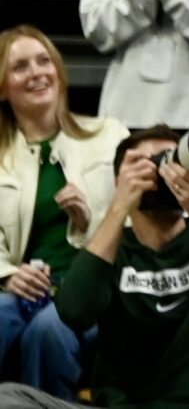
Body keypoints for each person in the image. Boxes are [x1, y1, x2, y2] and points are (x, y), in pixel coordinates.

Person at [19, 125, 189, 409]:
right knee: (10, 397)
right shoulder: (111, 250)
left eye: (172, 161)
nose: (162, 173)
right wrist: (119, 207)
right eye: (143, 164)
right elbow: (74, 312)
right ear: (119, 180)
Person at [0, 29, 118, 396]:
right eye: (20, 67)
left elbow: (133, 222)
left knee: (48, 329)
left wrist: (88, 222)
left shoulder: (108, 135)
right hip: (21, 292)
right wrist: (7, 275)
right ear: (2, 88)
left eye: (44, 61)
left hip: (92, 291)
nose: (37, 73)